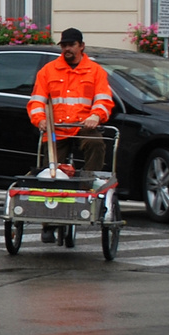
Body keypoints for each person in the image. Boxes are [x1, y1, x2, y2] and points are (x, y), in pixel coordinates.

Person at [27, 27, 114, 243]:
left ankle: (87, 187)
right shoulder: (49, 71)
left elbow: (104, 100)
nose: (67, 49)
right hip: (57, 129)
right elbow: (37, 101)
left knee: (96, 143)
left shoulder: (95, 71)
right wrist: (40, 120)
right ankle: (49, 223)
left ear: (81, 46)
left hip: (84, 125)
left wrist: (96, 116)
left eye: (71, 45)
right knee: (51, 171)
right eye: (64, 45)